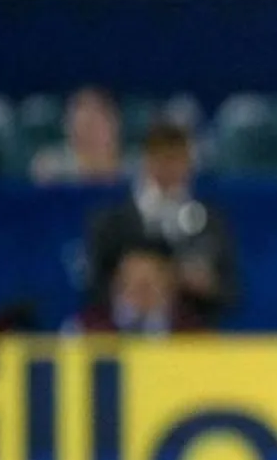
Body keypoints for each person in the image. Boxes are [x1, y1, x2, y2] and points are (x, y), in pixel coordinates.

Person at [86, 122, 239, 324]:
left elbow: (231, 291)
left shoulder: (210, 222)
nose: (169, 168)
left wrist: (206, 285)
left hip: (189, 338)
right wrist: (128, 287)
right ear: (147, 161)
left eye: (177, 159)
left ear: (189, 164)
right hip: (124, 334)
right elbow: (93, 287)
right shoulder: (113, 221)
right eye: (162, 158)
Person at [75, 243, 205, 335]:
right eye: (133, 279)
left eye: (151, 281)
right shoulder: (87, 329)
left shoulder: (192, 334)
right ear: (117, 282)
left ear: (171, 283)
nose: (142, 289)